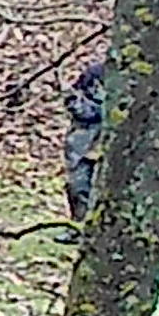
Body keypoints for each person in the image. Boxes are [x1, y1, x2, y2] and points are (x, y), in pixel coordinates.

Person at [63, 57, 119, 220]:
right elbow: (77, 106)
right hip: (83, 145)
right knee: (79, 187)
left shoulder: (135, 80)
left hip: (114, 146)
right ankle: (80, 224)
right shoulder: (94, 74)